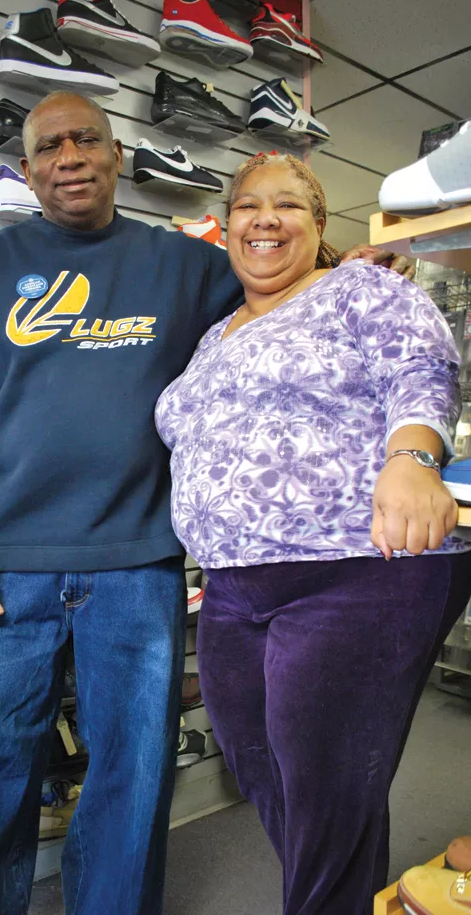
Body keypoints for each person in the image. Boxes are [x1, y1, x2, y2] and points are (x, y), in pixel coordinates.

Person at [0, 93, 416, 915]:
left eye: (86, 140)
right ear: (29, 170)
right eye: (48, 147)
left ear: (116, 157)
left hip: (138, 569)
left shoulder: (185, 267)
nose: (68, 156)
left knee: (133, 770)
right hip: (8, 566)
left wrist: (347, 271)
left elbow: (274, 277)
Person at [155, 152, 471, 915]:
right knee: (263, 768)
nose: (265, 218)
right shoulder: (212, 336)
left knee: (325, 785)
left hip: (358, 569)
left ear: (319, 225)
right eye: (248, 206)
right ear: (226, 228)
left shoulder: (359, 288)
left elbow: (423, 368)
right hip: (232, 584)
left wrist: (411, 456)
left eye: (289, 205)